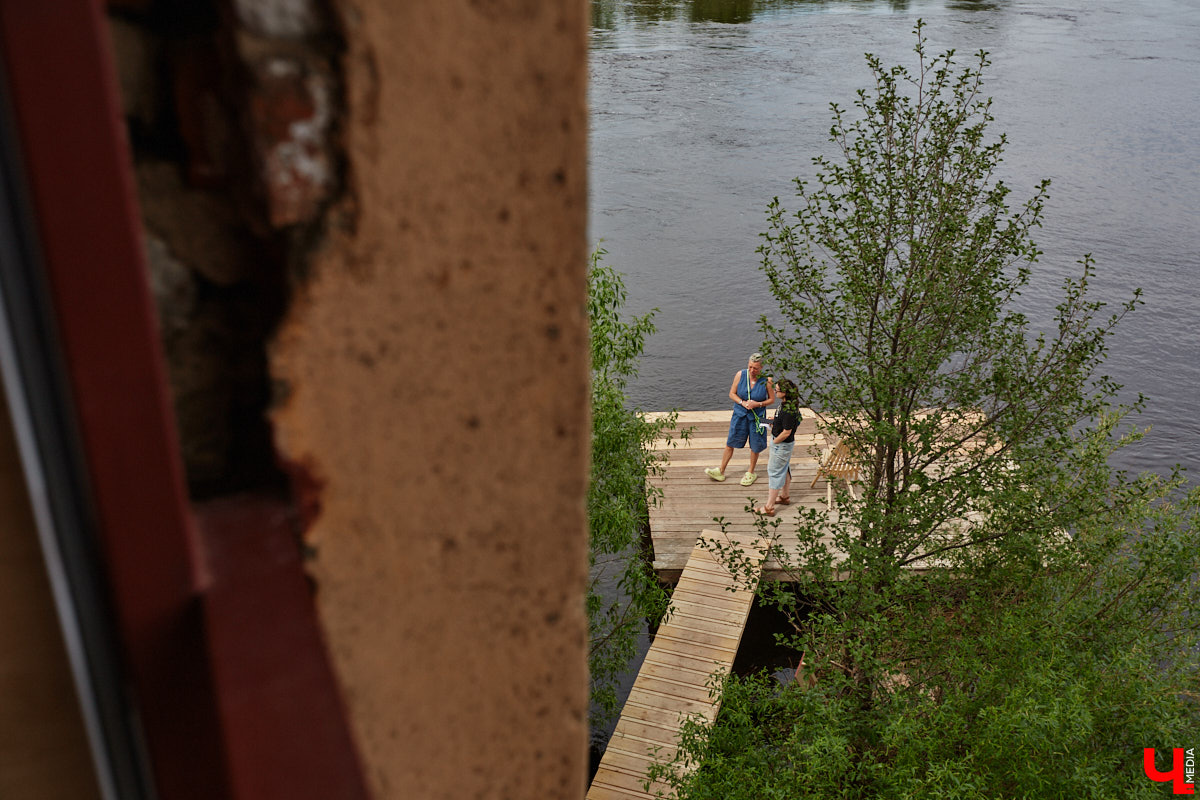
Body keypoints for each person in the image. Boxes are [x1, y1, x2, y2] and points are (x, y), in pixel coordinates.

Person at [705, 353, 774, 486]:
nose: (752, 371)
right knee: (730, 441)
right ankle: (721, 470)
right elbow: (732, 394)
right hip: (740, 414)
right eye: (750, 367)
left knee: (755, 445)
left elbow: (771, 400)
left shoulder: (767, 380)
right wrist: (742, 403)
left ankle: (751, 472)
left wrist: (758, 404)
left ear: (761, 368)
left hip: (757, 417)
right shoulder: (740, 375)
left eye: (755, 368)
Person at [755, 378, 800, 516]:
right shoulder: (786, 404)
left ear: (785, 392)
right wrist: (775, 421)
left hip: (781, 445)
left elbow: (787, 432)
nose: (775, 392)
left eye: (777, 390)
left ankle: (769, 507)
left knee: (774, 472)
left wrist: (775, 442)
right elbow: (788, 423)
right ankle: (785, 497)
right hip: (783, 444)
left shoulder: (788, 410)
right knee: (784, 468)